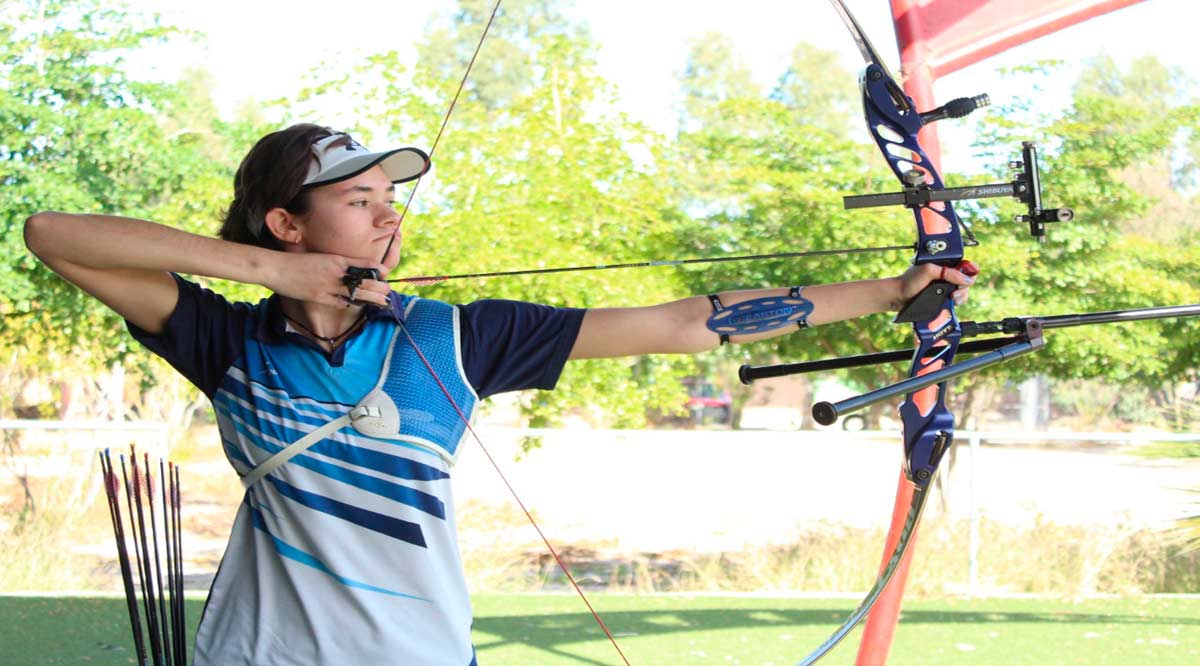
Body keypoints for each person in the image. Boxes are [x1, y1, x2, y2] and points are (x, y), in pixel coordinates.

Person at [23, 123, 973, 665]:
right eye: (357, 199)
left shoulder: (456, 335)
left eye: (389, 198)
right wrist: (272, 273)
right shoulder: (226, 339)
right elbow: (50, 233)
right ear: (287, 222)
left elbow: (687, 322)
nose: (388, 212)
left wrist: (892, 293)